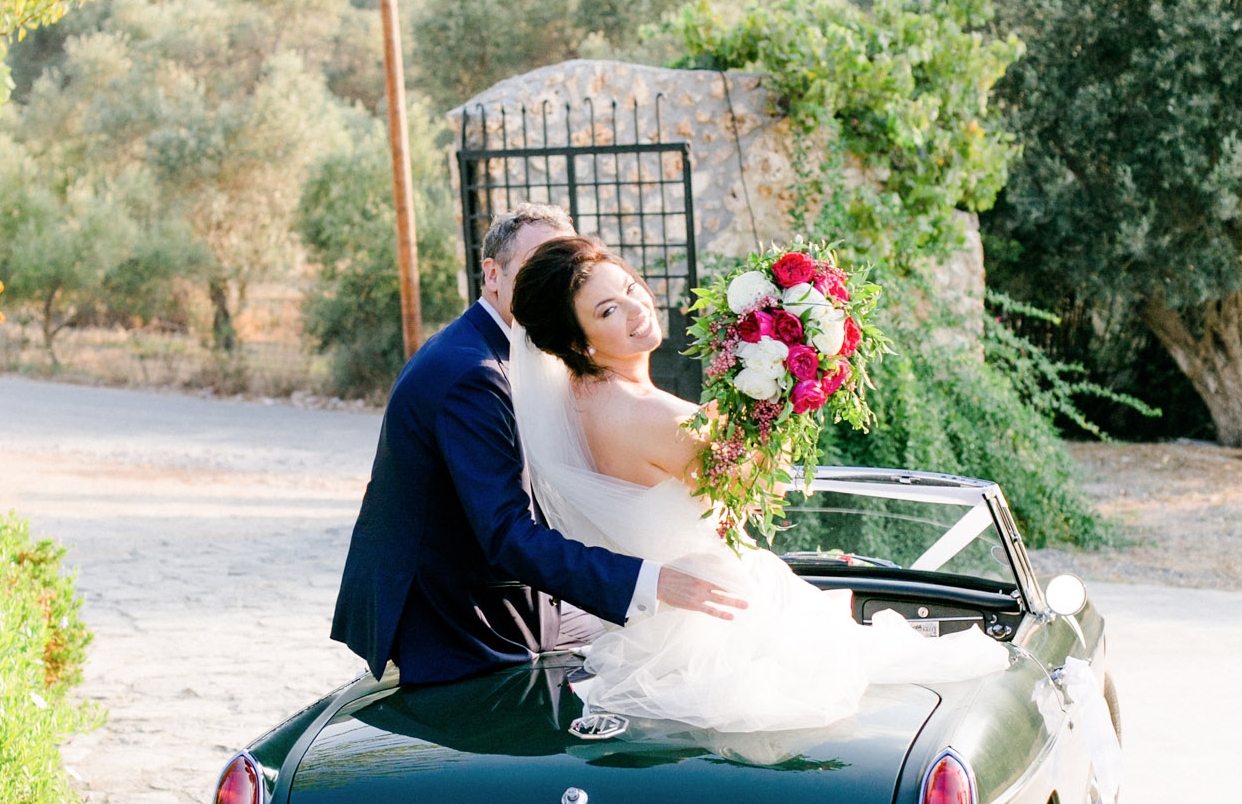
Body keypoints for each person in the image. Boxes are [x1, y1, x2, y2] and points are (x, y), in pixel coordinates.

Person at [509, 234, 1009, 732]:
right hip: (719, 626)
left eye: (632, 287)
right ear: (578, 341)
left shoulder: (583, 402)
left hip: (659, 625)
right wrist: (788, 391)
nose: (637, 308)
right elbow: (756, 496)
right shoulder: (650, 415)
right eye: (607, 311)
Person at [330, 203, 747, 685]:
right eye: (540, 261)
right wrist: (650, 579)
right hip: (465, 619)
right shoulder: (473, 373)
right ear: (492, 275)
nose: (561, 274)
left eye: (567, 256)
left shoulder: (539, 359)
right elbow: (506, 531)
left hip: (532, 598)